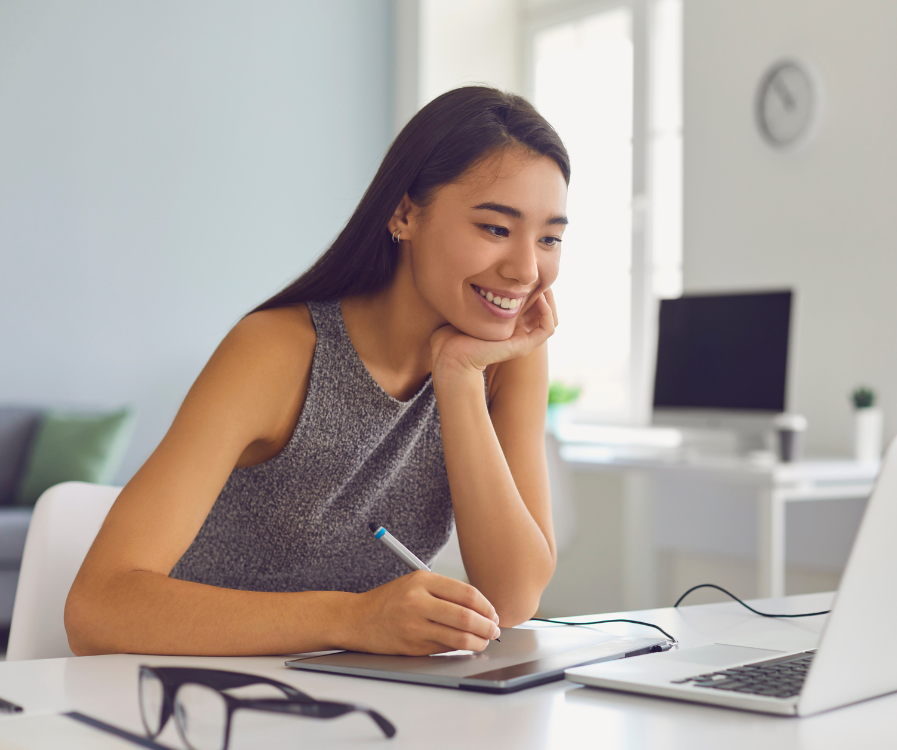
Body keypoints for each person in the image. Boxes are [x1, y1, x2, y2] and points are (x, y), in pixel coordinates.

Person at [65, 87, 569, 657]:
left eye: (550, 238)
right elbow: (97, 607)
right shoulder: (276, 351)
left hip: (349, 699)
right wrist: (354, 618)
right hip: (192, 693)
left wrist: (457, 379)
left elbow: (512, 596)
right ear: (404, 213)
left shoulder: (501, 357)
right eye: (496, 229)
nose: (527, 269)